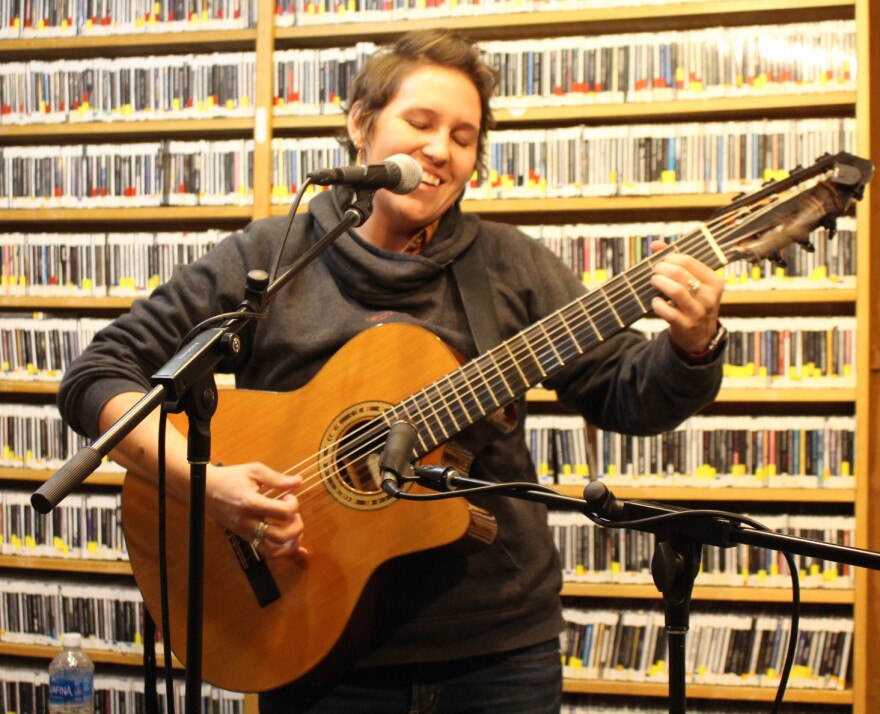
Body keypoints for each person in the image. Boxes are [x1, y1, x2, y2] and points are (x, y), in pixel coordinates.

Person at [58, 29, 726, 713]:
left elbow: (624, 397)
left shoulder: (510, 264)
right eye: (421, 122)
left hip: (496, 652)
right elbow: (98, 375)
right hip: (309, 638)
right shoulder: (272, 253)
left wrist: (692, 346)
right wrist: (208, 488)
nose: (440, 149)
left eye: (464, 137)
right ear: (360, 125)